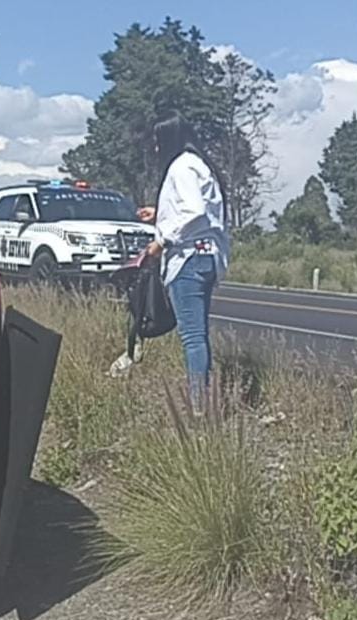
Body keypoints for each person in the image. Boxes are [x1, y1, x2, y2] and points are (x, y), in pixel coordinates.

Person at [137, 114, 230, 409]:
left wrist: (162, 241)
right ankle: (203, 398)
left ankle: (199, 405)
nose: (155, 149)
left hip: (188, 259)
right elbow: (194, 210)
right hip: (205, 257)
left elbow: (194, 212)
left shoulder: (181, 167)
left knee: (192, 337)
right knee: (198, 334)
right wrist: (160, 212)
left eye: (156, 142)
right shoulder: (196, 164)